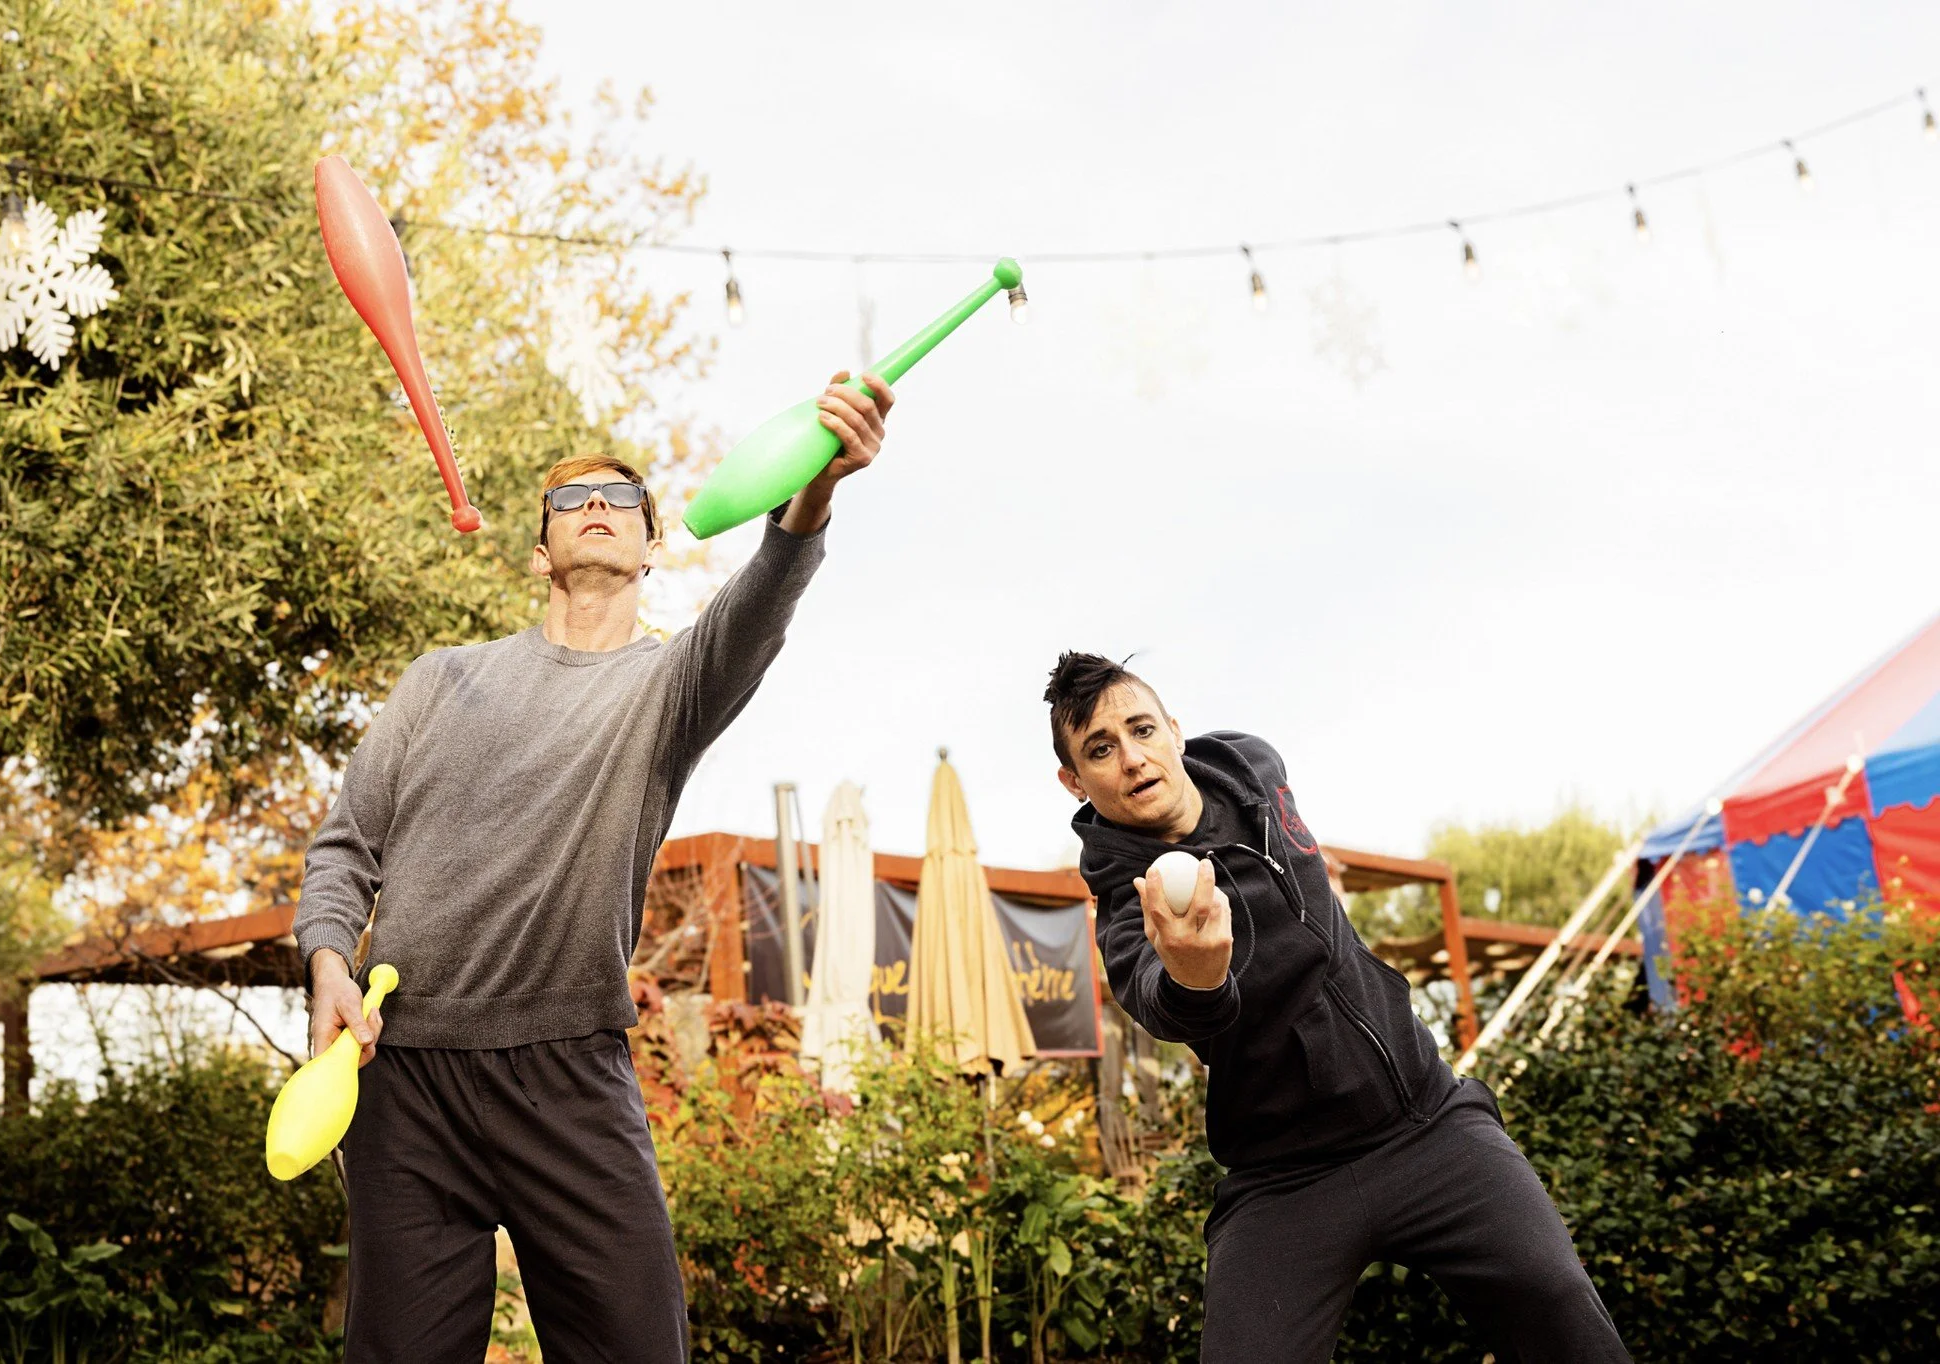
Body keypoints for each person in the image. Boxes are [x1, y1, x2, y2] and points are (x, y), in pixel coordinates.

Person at [292, 372, 896, 1361]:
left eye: (621, 497)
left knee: (635, 1345)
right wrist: (325, 961)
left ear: (651, 547)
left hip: (569, 1070)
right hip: (403, 1078)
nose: (597, 506)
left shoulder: (664, 686)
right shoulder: (439, 678)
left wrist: (813, 488)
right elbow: (344, 846)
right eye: (570, 499)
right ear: (540, 550)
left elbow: (755, 608)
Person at [1043, 651, 1631, 1363]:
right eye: (1100, 750)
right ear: (1073, 781)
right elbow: (1165, 1007)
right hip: (1285, 1176)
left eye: (1142, 730)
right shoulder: (1126, 906)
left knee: (1559, 1304)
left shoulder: (1254, 766)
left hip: (1426, 1122)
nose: (1132, 759)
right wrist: (1198, 977)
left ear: (1174, 728)